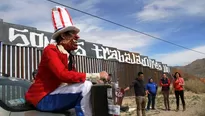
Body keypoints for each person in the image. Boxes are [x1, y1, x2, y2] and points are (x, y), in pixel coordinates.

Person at [25, 6, 108, 116]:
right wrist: (96, 75)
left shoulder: (68, 54)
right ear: (63, 35)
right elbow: (62, 74)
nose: (76, 39)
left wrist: (96, 81)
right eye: (73, 35)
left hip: (55, 95)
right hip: (44, 98)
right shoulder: (50, 50)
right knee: (86, 86)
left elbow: (73, 77)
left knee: (87, 85)